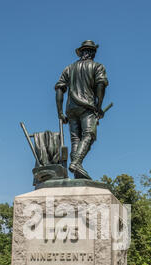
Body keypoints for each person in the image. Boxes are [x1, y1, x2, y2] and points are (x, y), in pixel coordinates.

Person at [55, 40, 108, 179]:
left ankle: (78, 170)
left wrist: (60, 112)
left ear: (82, 52)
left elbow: (60, 89)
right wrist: (99, 106)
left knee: (75, 139)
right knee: (89, 135)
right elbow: (100, 85)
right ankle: (77, 163)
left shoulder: (69, 68)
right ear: (92, 53)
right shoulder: (98, 67)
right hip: (87, 107)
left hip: (71, 109)